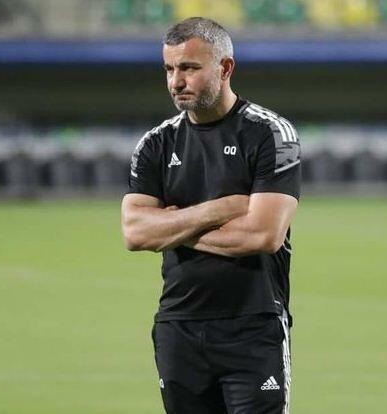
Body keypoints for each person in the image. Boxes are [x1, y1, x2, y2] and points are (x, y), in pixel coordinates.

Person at [121, 17, 301, 414]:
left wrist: (171, 225)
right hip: (178, 325)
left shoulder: (270, 134)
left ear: (225, 68)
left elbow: (262, 236)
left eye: (189, 68)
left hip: (253, 325)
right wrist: (217, 210)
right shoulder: (155, 144)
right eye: (169, 69)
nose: (176, 81)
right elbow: (135, 233)